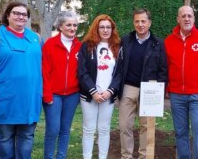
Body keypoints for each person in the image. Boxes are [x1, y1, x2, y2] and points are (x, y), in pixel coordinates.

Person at [107, 8, 168, 159]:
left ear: (149, 23)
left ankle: (144, 155)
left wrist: (159, 91)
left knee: (146, 126)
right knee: (124, 126)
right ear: (133, 22)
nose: (140, 24)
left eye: (143, 21)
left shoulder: (158, 43)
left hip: (149, 89)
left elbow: (163, 70)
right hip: (128, 88)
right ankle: (126, 156)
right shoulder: (126, 41)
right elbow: (119, 65)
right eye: (137, 21)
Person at [0, 1, 42, 158]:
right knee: (5, 138)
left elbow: (47, 66)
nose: (21, 17)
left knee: (26, 137)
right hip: (5, 98)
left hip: (30, 98)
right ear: (8, 15)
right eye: (16, 13)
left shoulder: (36, 38)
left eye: (24, 14)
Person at [165, 6, 198, 159]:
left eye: (190, 16)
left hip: (197, 96)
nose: (187, 19)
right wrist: (167, 88)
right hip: (177, 95)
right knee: (180, 131)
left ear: (194, 19)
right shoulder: (169, 41)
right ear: (178, 19)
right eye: (183, 16)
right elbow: (165, 67)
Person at [78, 14, 120, 159]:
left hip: (108, 95)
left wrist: (110, 91)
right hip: (89, 95)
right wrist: (93, 92)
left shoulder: (117, 48)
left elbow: (119, 73)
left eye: (108, 27)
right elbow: (82, 72)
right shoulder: (87, 46)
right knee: (89, 129)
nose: (105, 30)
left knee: (104, 129)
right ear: (96, 28)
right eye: (102, 27)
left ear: (112, 29)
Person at [42, 11, 82, 159]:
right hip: (54, 94)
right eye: (69, 25)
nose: (72, 28)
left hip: (72, 94)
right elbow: (44, 72)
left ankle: (61, 156)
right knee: (53, 129)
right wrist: (47, 95)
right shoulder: (50, 45)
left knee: (65, 129)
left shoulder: (79, 46)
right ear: (60, 26)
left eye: (75, 25)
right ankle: (49, 156)